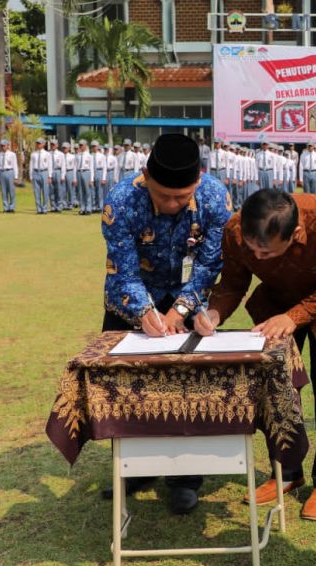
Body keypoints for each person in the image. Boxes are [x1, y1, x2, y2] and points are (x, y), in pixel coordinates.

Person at [197, 189, 316, 522]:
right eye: (252, 248)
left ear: (295, 234)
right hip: (274, 309)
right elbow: (232, 282)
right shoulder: (235, 229)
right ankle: (286, 472)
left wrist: (295, 316)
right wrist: (214, 313)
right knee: (278, 390)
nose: (257, 255)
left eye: (266, 252)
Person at [99, 133, 231, 513]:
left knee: (188, 390)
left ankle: (186, 476)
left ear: (199, 180)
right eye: (164, 196)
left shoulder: (214, 197)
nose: (173, 205)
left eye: (182, 197)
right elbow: (122, 270)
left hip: (187, 304)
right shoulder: (122, 200)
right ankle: (134, 469)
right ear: (146, 177)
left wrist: (181, 309)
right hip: (130, 303)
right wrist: (146, 312)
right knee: (127, 391)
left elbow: (209, 264)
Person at [29, 139, 52, 214]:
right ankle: (39, 209)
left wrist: (49, 176)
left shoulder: (47, 154)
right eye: (37, 143)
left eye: (39, 143)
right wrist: (31, 176)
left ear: (43, 144)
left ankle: (44, 209)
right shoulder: (33, 154)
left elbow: (50, 165)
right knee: (36, 192)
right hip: (36, 172)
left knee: (45, 191)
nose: (38, 145)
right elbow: (31, 165)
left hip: (44, 172)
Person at [0, 139, 18, 213]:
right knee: (3, 191)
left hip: (10, 172)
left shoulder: (12, 154)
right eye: (1, 146)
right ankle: (5, 207)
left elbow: (15, 165)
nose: (3, 147)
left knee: (11, 190)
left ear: (7, 146)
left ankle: (12, 207)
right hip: (2, 172)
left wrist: (16, 177)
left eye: (4, 145)